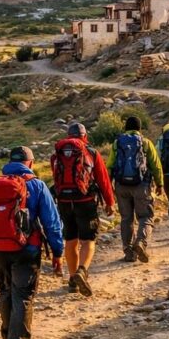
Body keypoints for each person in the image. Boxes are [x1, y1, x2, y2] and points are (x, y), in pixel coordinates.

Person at [0, 146, 64, 339]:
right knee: (22, 296)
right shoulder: (38, 186)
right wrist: (58, 252)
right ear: (30, 163)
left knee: (5, 292)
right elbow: (52, 223)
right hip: (27, 250)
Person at [50, 122, 114, 296]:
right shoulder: (92, 152)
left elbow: (56, 179)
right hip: (85, 200)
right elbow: (103, 180)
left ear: (68, 135)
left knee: (70, 240)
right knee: (88, 240)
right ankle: (82, 271)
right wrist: (109, 202)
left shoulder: (57, 154)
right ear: (85, 136)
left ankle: (72, 280)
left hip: (64, 201)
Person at [108, 115, 163, 263]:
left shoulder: (117, 143)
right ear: (139, 129)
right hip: (141, 186)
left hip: (121, 186)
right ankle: (140, 242)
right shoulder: (145, 143)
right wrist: (160, 184)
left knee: (126, 219)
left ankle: (128, 252)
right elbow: (156, 166)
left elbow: (110, 166)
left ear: (125, 128)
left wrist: (108, 188)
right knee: (145, 217)